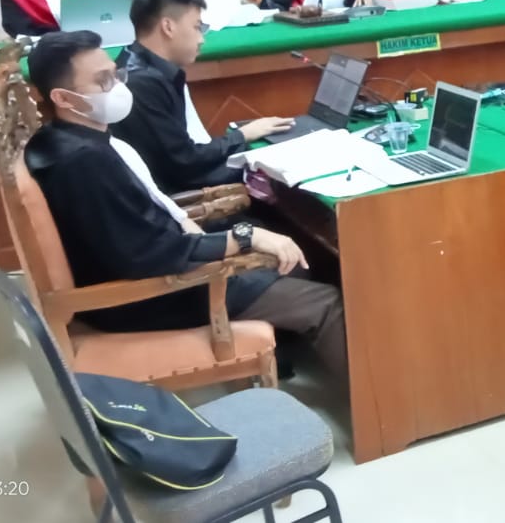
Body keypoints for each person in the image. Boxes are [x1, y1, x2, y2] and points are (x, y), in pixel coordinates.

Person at [24, 30, 346, 381]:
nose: (117, 87)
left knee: (295, 262)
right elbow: (147, 254)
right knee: (325, 302)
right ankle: (377, 403)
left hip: (151, 265)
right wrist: (243, 237)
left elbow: (140, 230)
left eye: (116, 74)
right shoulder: (84, 163)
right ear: (63, 98)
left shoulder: (64, 139)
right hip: (149, 297)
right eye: (103, 81)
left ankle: (272, 350)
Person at [112, 0, 292, 193]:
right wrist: (242, 136)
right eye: (197, 27)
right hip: (175, 193)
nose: (201, 39)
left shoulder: (136, 62)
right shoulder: (141, 82)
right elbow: (184, 163)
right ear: (168, 27)